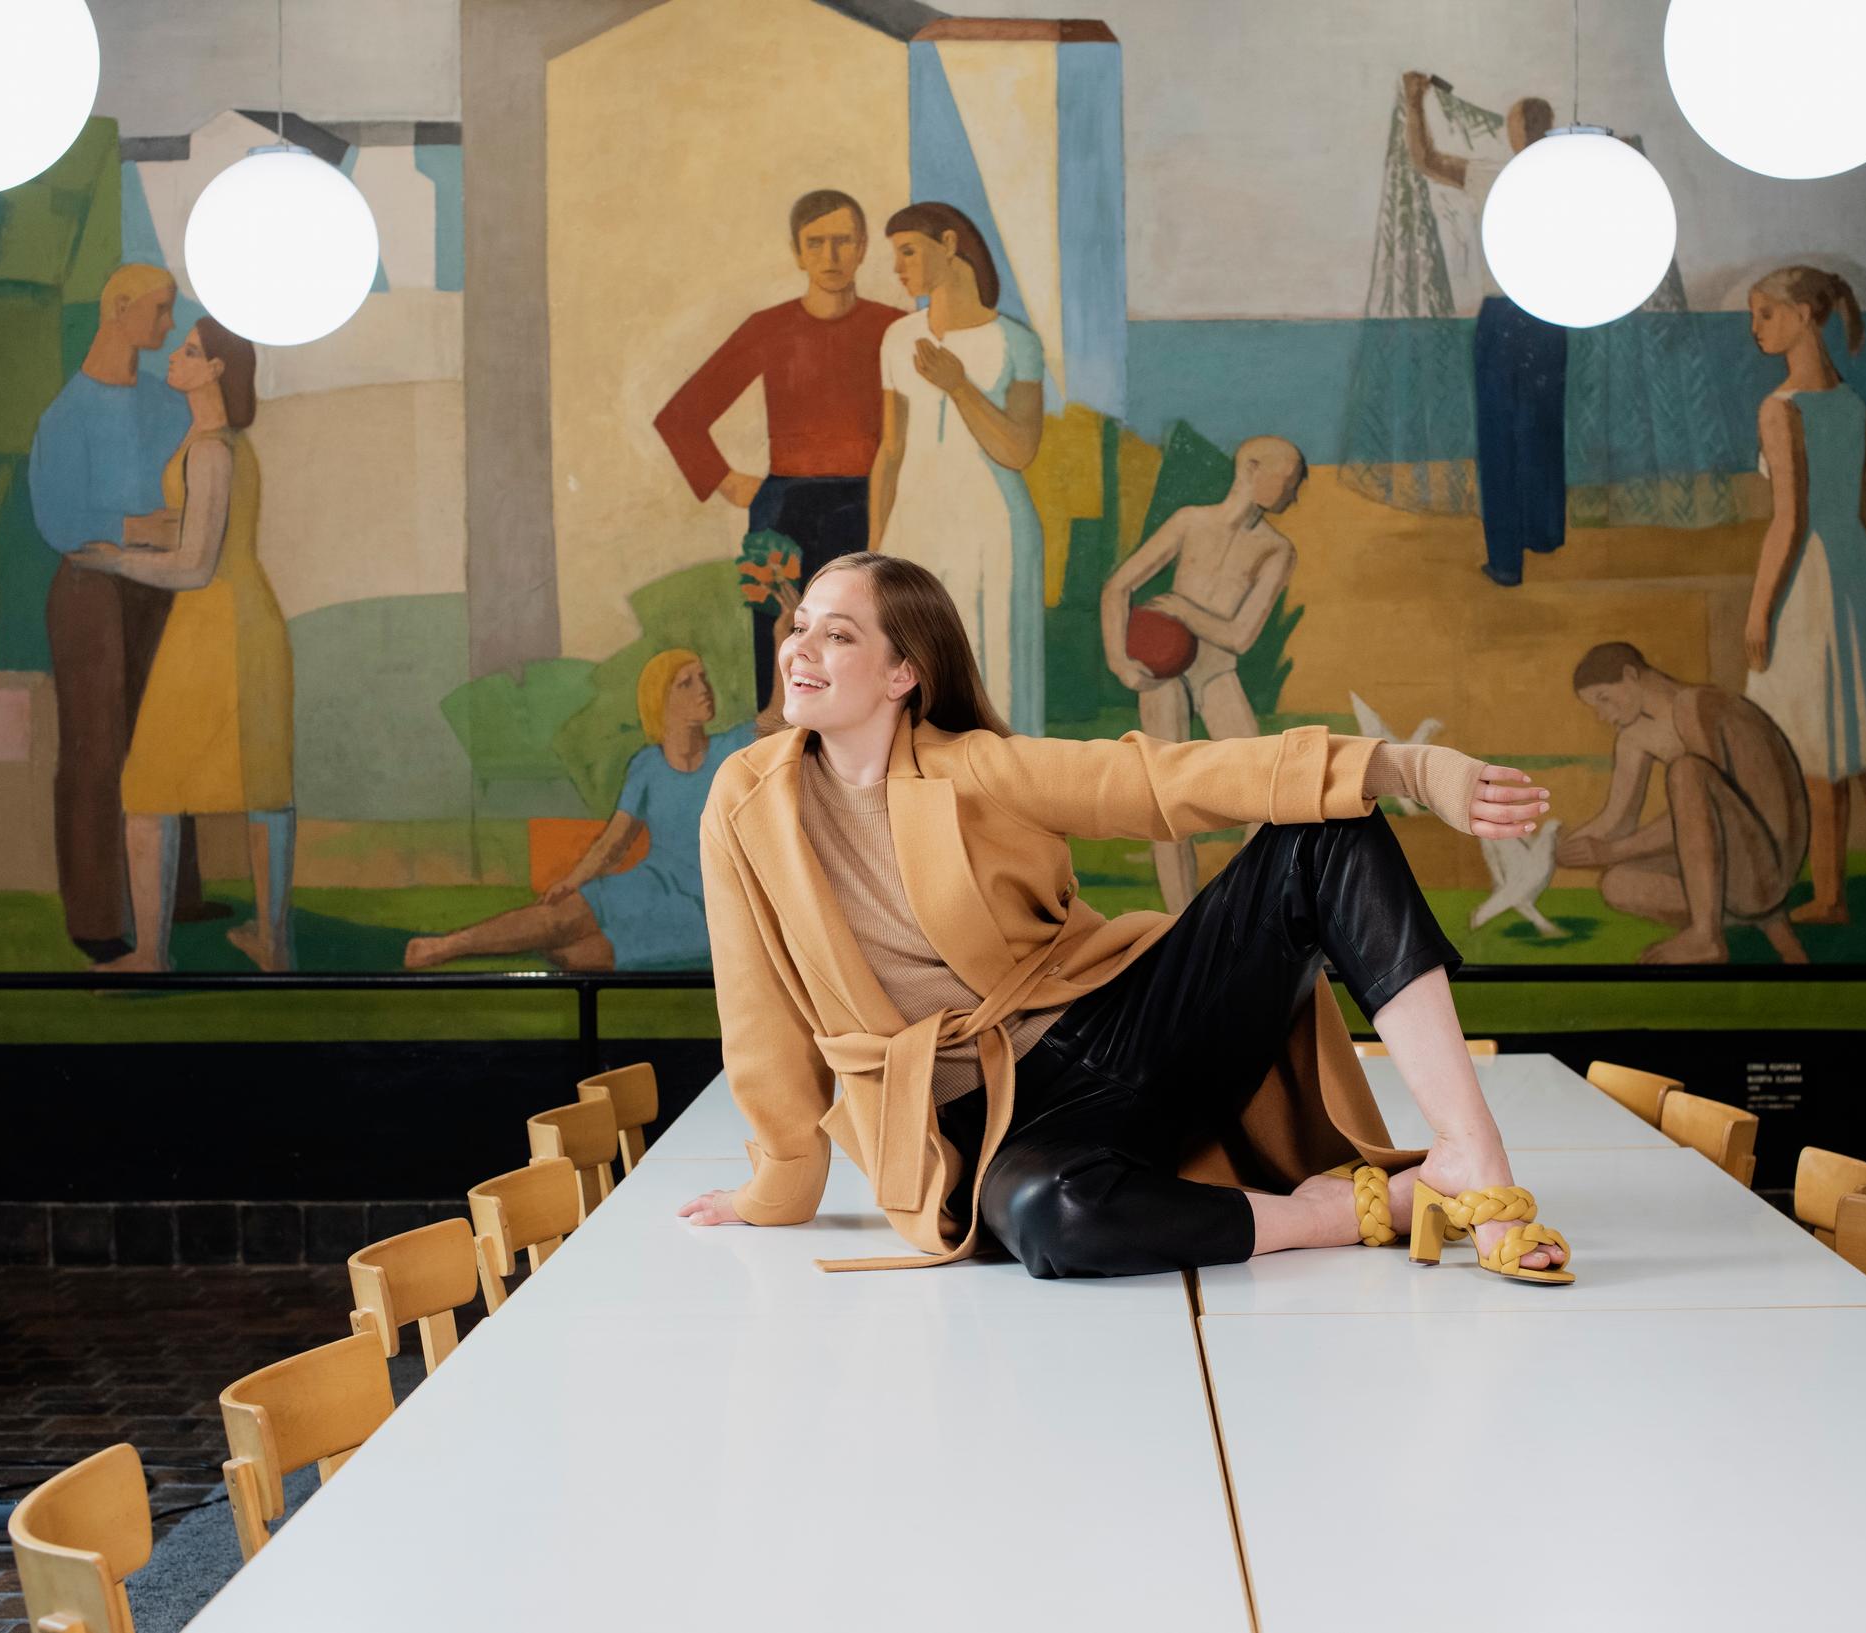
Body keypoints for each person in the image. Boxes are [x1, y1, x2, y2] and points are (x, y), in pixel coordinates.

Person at [678, 551, 1572, 1287]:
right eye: (800, 626)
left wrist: (1409, 770)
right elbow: (757, 1008)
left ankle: (1471, 1157)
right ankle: (1335, 1213)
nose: (800, 648)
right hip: (989, 1129)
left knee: (1324, 833)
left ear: (902, 672)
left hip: (1124, 1030)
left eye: (838, 634)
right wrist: (780, 1182)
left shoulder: (975, 767)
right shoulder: (745, 803)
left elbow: (1159, 781)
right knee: (1052, 1218)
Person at [72, 319, 294, 973]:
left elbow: (196, 565)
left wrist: (115, 560)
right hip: (238, 621)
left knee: (149, 787)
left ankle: (150, 955)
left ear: (216, 370)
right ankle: (274, 944)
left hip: (217, 628)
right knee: (264, 784)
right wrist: (134, 530)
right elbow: (199, 526)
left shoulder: (212, 452)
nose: (174, 357)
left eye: (189, 351)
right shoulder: (214, 444)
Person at [26, 263, 214, 959]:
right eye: (160, 310)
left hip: (159, 587)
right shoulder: (67, 414)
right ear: (120, 308)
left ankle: (178, 896)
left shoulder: (167, 405)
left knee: (165, 737)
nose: (168, 325)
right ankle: (97, 916)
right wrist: (140, 527)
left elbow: (193, 498)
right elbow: (61, 520)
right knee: (96, 748)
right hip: (89, 594)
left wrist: (160, 535)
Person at [654, 190, 904, 711]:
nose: (830, 256)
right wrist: (729, 481)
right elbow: (679, 418)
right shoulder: (768, 329)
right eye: (816, 243)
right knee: (784, 657)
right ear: (797, 252)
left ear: (862, 247)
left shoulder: (894, 330)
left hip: (872, 506)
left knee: (872, 650)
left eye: (842, 241)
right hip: (785, 515)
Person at [1743, 265, 1866, 926]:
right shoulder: (1852, 404)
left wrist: (1760, 609)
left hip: (1808, 583)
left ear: (1803, 315)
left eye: (1765, 314)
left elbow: (1789, 521)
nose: (1755, 328)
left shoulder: (1780, 408)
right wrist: (1852, 554)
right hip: (1858, 576)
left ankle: (1830, 898)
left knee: (1820, 752)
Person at [404, 652, 753, 972]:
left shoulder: (732, 748)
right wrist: (571, 882)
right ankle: (447, 946)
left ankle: (526, 945)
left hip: (706, 904)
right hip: (650, 883)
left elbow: (777, 715)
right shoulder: (647, 765)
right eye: (686, 683)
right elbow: (613, 842)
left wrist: (780, 635)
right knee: (557, 917)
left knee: (579, 957)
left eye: (702, 678)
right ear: (660, 700)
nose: (704, 689)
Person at [1099, 435, 1307, 910]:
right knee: (1167, 802)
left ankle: (1235, 908)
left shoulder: (1277, 550)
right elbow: (1117, 587)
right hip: (1163, 675)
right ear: (1251, 468)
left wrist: (1185, 612)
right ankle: (1181, 922)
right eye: (1290, 480)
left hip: (1216, 673)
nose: (1295, 494)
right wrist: (1120, 663)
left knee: (1265, 792)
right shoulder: (1190, 521)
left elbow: (1240, 636)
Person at [868, 202, 1049, 734]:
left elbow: (1018, 450)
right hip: (913, 527)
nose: (898, 267)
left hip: (993, 530)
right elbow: (891, 451)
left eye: (908, 251)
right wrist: (872, 552)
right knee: (910, 676)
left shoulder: (1016, 342)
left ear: (948, 244)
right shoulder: (898, 338)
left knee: (996, 673)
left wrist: (959, 386)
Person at [1403, 71, 1564, 588]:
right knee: (1541, 428)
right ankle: (1542, 533)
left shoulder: (1492, 173)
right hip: (1552, 319)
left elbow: (1424, 158)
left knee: (1500, 438)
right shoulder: (1569, 177)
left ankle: (1506, 562)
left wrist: (1414, 101)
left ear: (1516, 131)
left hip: (1505, 319)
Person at [1560, 643, 1811, 965]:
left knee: (1687, 772)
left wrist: (1612, 851)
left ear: (1630, 675)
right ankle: (1759, 920)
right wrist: (1555, 849)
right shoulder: (1633, 734)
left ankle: (1706, 936)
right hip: (1732, 873)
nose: (1603, 715)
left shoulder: (1697, 705)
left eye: (1604, 698)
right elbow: (1615, 821)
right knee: (1616, 884)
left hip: (1768, 870)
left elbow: (1700, 816)